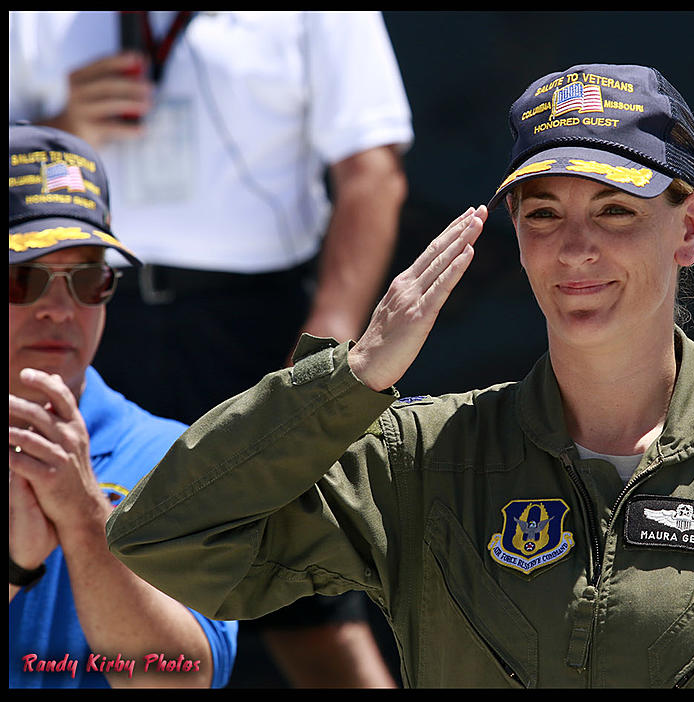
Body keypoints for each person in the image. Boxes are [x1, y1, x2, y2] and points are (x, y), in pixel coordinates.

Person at [105, 63, 694, 688]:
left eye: (615, 210)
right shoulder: (424, 457)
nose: (575, 250)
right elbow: (162, 537)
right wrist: (349, 380)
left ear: (692, 227)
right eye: (543, 214)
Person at [8, 10, 410, 687]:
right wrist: (63, 127)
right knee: (70, 593)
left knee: (315, 615)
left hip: (253, 328)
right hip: (99, 311)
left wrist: (324, 351)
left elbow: (373, 171)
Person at [8, 124, 238, 688]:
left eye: (89, 279)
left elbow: (184, 680)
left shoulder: (178, 456)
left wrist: (86, 523)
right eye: (22, 278)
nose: (60, 309)